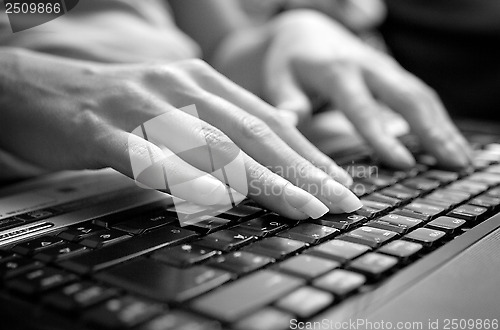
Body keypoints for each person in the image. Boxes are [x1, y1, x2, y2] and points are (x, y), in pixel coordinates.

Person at [0, 0, 471, 219]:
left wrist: (288, 32)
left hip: (195, 157)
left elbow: (220, 46)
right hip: (37, 185)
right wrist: (12, 81)